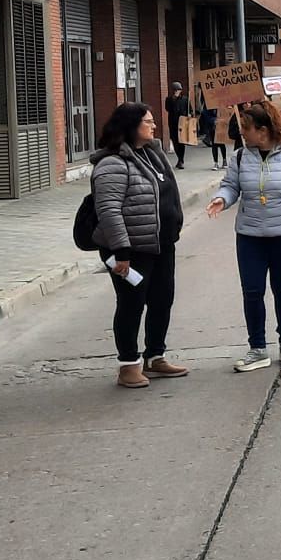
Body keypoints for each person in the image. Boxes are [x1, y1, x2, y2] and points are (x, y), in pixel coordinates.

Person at [208, 100, 281, 372]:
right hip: (250, 234)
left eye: (245, 129)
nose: (241, 134)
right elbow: (230, 186)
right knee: (252, 290)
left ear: (262, 130)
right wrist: (221, 200)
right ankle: (257, 348)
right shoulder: (240, 156)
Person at [90, 102, 187, 388]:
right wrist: (121, 252)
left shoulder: (153, 154)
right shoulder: (112, 163)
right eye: (148, 121)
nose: (154, 125)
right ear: (131, 125)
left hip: (160, 245)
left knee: (162, 301)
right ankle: (128, 364)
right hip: (130, 251)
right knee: (132, 305)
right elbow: (109, 210)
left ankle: (155, 356)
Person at [163, 81, 192, 169]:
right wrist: (173, 99)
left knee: (181, 142)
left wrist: (189, 115)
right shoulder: (169, 99)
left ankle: (181, 160)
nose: (177, 92)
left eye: (178, 90)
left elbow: (190, 110)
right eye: (175, 90)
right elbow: (167, 109)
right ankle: (179, 158)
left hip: (182, 123)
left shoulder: (185, 99)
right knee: (175, 141)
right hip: (173, 122)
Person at [197, 99, 226, 168]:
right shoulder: (209, 105)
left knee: (222, 144)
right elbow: (205, 114)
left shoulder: (221, 104)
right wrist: (213, 120)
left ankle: (224, 160)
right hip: (212, 127)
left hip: (221, 126)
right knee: (214, 144)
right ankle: (216, 162)